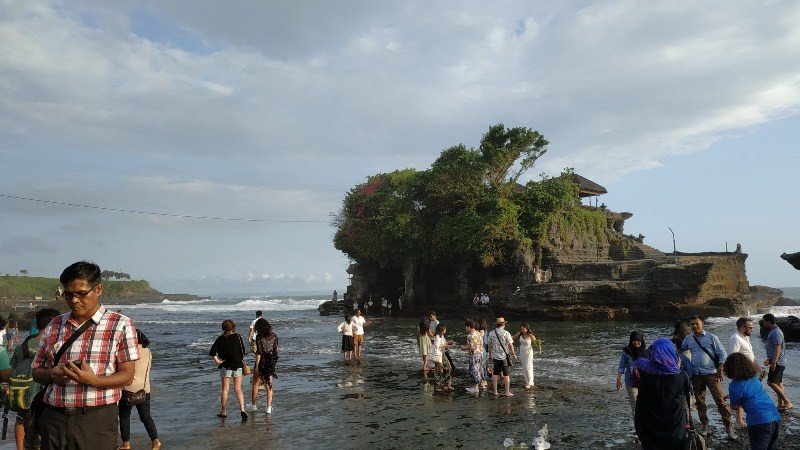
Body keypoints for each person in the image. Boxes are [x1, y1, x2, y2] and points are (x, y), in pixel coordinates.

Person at [31, 261, 140, 449]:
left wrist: (93, 380)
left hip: (96, 419)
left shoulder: (120, 324)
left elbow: (127, 376)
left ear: (98, 289)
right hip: (54, 418)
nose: (74, 300)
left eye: (81, 293)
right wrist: (52, 374)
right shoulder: (55, 324)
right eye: (69, 294)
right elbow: (35, 371)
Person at [9, 307, 59, 450]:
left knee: (21, 418)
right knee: (45, 420)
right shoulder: (55, 346)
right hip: (45, 393)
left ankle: (20, 448)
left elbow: (13, 369)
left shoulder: (22, 347)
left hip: (24, 391)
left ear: (36, 325)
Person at [681, 315, 734, 439]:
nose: (694, 326)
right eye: (692, 324)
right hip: (696, 375)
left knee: (720, 401)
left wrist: (720, 369)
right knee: (700, 402)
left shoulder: (711, 337)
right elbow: (680, 349)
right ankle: (705, 426)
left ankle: (729, 427)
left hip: (712, 374)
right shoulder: (688, 339)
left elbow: (722, 354)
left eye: (696, 323)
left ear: (702, 324)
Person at [633, 338, 691, 450]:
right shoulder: (681, 376)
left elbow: (638, 366)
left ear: (653, 352)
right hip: (674, 425)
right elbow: (687, 392)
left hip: (648, 423)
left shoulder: (643, 370)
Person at [724, 352, 781, 450]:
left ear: (729, 369)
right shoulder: (754, 379)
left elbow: (734, 406)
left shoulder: (734, 385)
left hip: (758, 421)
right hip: (774, 416)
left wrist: (737, 401)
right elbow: (750, 392)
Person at [119, 329, 161, 450]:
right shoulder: (148, 351)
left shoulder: (128, 352)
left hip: (128, 389)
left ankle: (126, 444)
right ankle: (156, 441)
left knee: (124, 416)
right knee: (146, 417)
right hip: (144, 389)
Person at [209, 319, 248, 421]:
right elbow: (243, 352)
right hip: (237, 364)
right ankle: (243, 410)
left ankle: (224, 411)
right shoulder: (238, 337)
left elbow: (212, 352)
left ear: (223, 328)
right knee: (238, 389)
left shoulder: (220, 338)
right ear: (233, 327)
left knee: (225, 389)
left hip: (225, 365)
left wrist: (217, 361)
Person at [728, 317, 757, 427]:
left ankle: (740, 417)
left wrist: (759, 369)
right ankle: (738, 420)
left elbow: (751, 356)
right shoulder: (735, 338)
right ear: (742, 327)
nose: (752, 329)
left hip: (749, 372)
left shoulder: (745, 337)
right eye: (750, 327)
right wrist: (735, 374)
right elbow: (732, 357)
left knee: (748, 394)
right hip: (741, 373)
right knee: (741, 396)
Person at [762, 313, 793, 412]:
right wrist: (770, 359)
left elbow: (778, 347)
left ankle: (787, 402)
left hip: (778, 361)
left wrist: (774, 362)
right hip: (777, 360)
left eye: (764, 322)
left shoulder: (776, 332)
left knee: (771, 382)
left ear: (769, 322)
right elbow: (774, 348)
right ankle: (780, 405)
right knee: (778, 382)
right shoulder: (774, 331)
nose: (763, 324)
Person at [616, 331, 646, 418]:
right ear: (631, 340)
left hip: (644, 381)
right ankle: (638, 428)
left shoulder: (645, 351)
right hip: (631, 382)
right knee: (635, 405)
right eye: (634, 340)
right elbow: (621, 366)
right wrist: (618, 379)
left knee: (644, 404)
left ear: (641, 340)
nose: (636, 342)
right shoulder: (626, 351)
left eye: (638, 340)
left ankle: (645, 425)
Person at [253, 319, 278, 414]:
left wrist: (257, 366)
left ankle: (253, 404)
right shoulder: (274, 336)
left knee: (256, 384)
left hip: (262, 361)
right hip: (271, 361)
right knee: (269, 384)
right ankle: (268, 407)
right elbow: (276, 351)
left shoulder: (259, 337)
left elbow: (259, 352)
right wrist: (274, 363)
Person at [488, 317, 517, 397]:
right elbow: (511, 345)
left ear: (497, 324)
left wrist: (490, 355)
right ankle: (507, 392)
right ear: (504, 324)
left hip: (495, 356)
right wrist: (514, 354)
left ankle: (495, 391)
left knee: (495, 373)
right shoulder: (506, 333)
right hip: (504, 357)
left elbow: (489, 346)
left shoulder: (491, 333)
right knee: (506, 374)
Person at [430, 324, 453, 393]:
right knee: (439, 370)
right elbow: (438, 346)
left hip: (442, 354)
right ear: (441, 330)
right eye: (444, 329)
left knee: (448, 368)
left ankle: (446, 384)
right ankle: (438, 385)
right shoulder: (437, 337)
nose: (445, 330)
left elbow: (444, 345)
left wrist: (448, 343)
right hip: (438, 355)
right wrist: (446, 345)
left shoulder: (442, 336)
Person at [513, 323, 537, 390]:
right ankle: (528, 381)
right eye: (521, 329)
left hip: (528, 352)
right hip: (522, 351)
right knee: (524, 366)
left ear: (527, 329)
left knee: (528, 366)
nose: (522, 330)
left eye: (523, 329)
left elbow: (536, 342)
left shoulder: (530, 335)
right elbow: (512, 338)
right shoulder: (519, 334)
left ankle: (529, 382)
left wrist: (535, 340)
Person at [464, 320, 483, 394]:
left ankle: (475, 387)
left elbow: (472, 348)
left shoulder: (470, 336)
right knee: (478, 370)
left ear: (469, 327)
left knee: (473, 370)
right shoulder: (478, 333)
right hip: (480, 354)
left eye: (466, 327)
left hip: (474, 355)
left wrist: (464, 348)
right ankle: (476, 386)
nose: (465, 328)